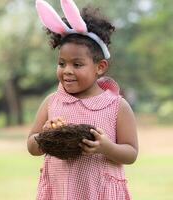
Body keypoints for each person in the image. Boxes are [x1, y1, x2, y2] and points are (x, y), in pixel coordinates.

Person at [27, 0, 138, 199]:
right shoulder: (52, 102)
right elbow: (32, 147)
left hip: (100, 193)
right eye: (62, 63)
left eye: (77, 64)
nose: (67, 70)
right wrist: (45, 136)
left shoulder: (116, 106)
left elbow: (131, 153)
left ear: (100, 67)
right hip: (60, 192)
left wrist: (106, 148)